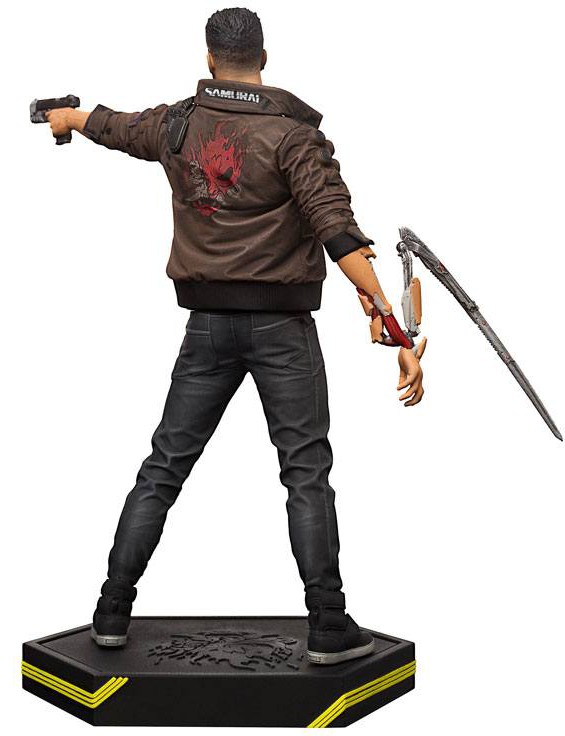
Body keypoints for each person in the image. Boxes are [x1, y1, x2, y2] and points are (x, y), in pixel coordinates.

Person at [45, 7, 425, 666]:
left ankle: (110, 611)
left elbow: (115, 126)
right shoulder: (292, 136)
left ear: (208, 58)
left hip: (207, 327)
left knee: (164, 467)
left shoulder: (177, 123)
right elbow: (337, 231)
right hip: (282, 329)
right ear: (264, 58)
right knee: (305, 473)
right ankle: (327, 624)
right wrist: (391, 322)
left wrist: (71, 120)